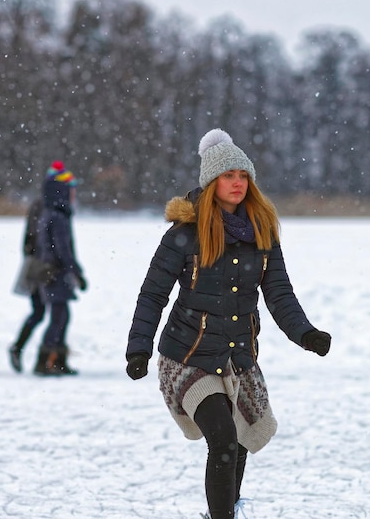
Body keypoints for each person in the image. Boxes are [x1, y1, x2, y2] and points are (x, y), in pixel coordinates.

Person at [125, 129, 332, 519]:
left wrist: (306, 334)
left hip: (238, 357)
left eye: (243, 175)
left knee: (238, 444)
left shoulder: (263, 233)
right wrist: (138, 348)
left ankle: (225, 511)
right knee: (221, 440)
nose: (237, 183)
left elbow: (279, 293)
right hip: (186, 358)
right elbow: (153, 294)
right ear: (211, 181)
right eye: (228, 175)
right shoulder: (184, 235)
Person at [33, 161, 88, 376]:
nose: (74, 194)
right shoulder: (58, 216)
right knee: (59, 317)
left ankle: (56, 360)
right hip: (56, 274)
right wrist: (76, 272)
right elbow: (63, 250)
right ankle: (45, 361)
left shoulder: (51, 213)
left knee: (61, 316)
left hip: (53, 273)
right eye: (71, 189)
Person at [9, 196, 47, 372]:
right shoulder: (45, 206)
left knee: (42, 313)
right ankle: (47, 358)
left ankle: (21, 349)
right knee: (46, 313)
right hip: (41, 269)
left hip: (38, 266)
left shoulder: (40, 205)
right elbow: (34, 240)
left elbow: (28, 241)